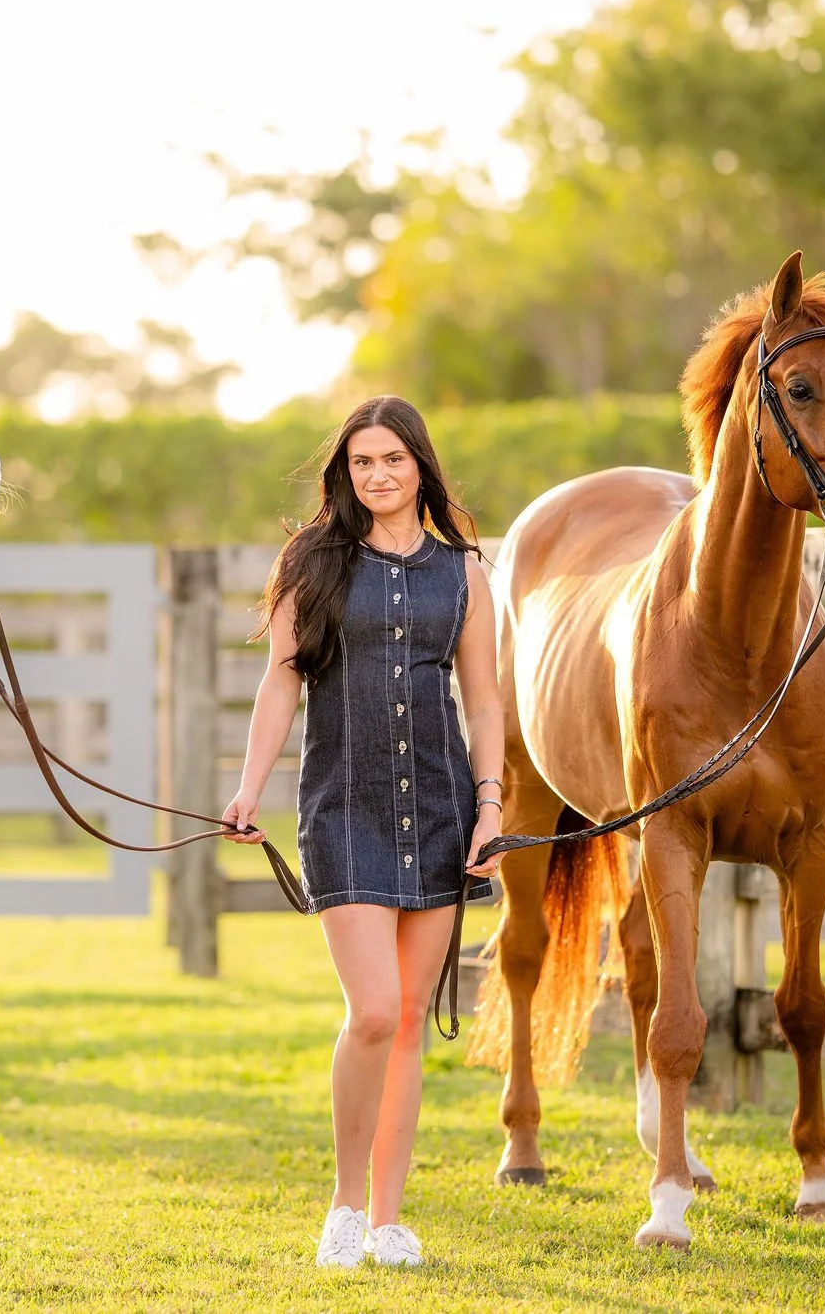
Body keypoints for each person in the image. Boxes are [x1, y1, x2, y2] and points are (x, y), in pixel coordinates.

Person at [223, 396, 505, 1269]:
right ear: (344, 475)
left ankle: (389, 1221)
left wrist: (491, 803)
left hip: (442, 806)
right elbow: (280, 682)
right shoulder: (314, 560)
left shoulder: (464, 571)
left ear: (420, 463)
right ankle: (344, 1208)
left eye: (392, 458)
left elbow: (485, 698)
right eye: (362, 463)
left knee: (412, 1019)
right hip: (343, 805)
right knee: (375, 1012)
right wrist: (247, 788)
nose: (378, 475)